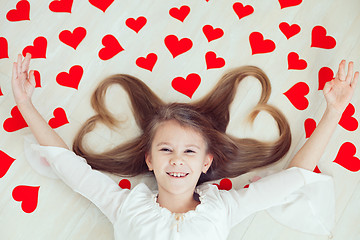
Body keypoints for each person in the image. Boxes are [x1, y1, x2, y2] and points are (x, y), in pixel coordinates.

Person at [12, 53, 358, 240]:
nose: (177, 159)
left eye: (190, 151)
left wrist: (333, 112)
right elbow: (68, 166)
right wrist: (26, 105)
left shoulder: (225, 206)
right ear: (148, 159)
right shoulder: (124, 204)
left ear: (207, 162)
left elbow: (295, 176)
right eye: (165, 150)